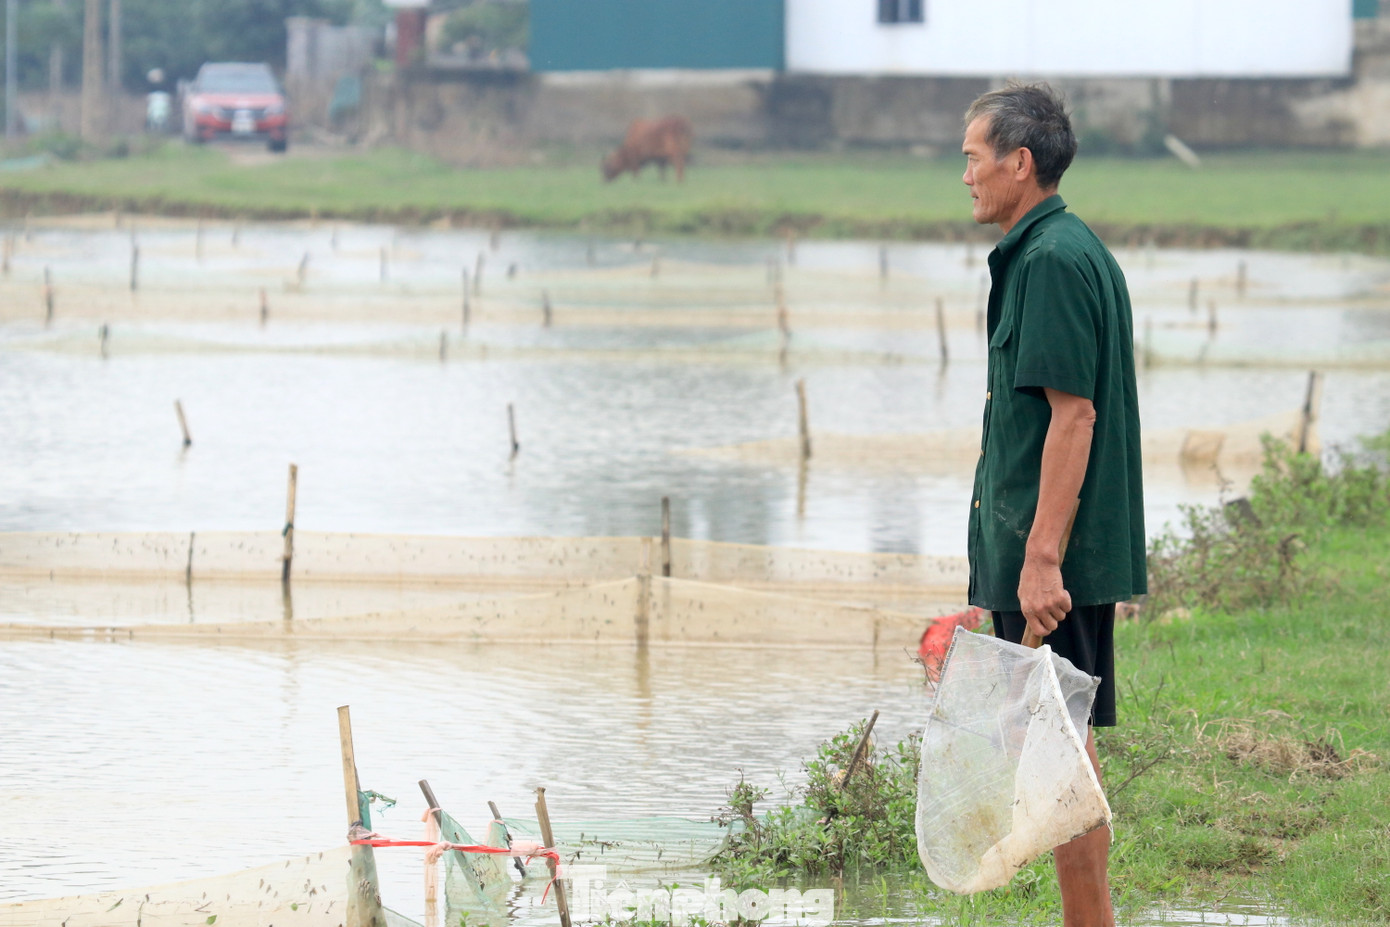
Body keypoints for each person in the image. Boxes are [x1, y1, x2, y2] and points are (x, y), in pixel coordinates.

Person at [962, 82, 1146, 927]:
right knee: (1056, 752)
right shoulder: (1051, 252)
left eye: (973, 157)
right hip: (1036, 556)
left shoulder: (1052, 261)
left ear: (1019, 162)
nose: (965, 174)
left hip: (1054, 562)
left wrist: (1039, 560)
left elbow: (1074, 416)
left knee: (1060, 761)